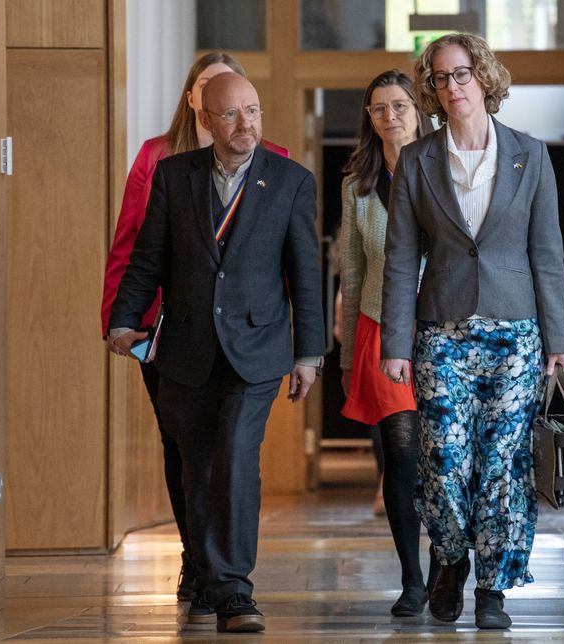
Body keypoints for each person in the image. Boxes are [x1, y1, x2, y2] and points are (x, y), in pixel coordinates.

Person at [109, 72, 325, 633]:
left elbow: (305, 274)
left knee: (234, 451)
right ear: (205, 120)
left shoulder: (291, 181)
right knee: (196, 464)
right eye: (230, 114)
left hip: (258, 347)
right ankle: (205, 573)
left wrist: (310, 354)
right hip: (186, 345)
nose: (246, 124)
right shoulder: (173, 177)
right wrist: (124, 320)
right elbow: (148, 258)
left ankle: (234, 590)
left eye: (252, 111)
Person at [379, 33, 564, 630]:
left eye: (461, 73)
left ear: (484, 78)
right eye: (439, 78)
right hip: (441, 331)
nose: (452, 86)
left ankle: (493, 588)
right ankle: (451, 556)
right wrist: (394, 344)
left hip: (516, 333)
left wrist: (559, 340)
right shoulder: (417, 160)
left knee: (501, 464)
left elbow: (548, 253)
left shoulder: (529, 153)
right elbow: (400, 257)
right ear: (432, 90)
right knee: (443, 460)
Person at [338, 70, 433, 617]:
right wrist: (350, 354)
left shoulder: (443, 171)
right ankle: (412, 578)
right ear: (369, 118)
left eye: (399, 105)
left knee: (441, 454)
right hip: (379, 325)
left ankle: (448, 566)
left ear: (418, 111)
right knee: (400, 453)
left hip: (441, 326)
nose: (389, 116)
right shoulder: (358, 185)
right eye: (378, 108)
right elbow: (352, 273)